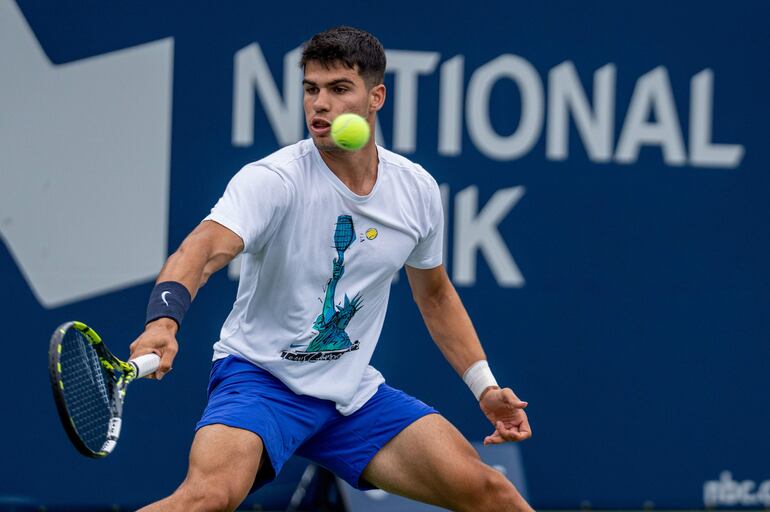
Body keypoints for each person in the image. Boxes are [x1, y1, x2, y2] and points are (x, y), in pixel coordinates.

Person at [130, 26, 534, 512]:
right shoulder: (273, 181)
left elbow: (436, 296)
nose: (320, 104)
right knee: (207, 499)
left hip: (351, 396)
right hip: (261, 379)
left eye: (339, 89)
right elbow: (201, 251)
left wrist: (485, 387)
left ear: (375, 96)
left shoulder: (416, 191)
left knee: (493, 494)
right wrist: (162, 322)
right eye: (311, 89)